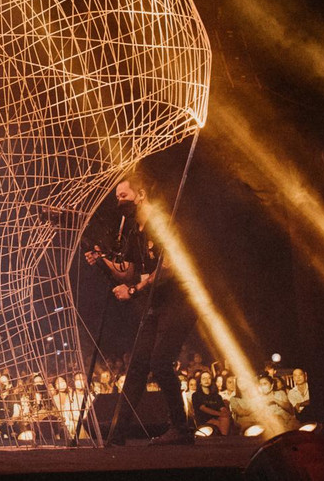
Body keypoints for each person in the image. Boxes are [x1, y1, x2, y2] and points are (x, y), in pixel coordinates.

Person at [94, 175, 196, 446]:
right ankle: (117, 434)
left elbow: (168, 267)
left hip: (180, 300)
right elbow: (127, 273)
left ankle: (181, 428)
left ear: (140, 195)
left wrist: (134, 290)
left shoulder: (162, 223)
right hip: (156, 302)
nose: (119, 201)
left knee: (160, 361)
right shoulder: (134, 232)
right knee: (138, 364)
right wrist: (102, 259)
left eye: (123, 196)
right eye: (117, 197)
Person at [191, 369, 231, 436]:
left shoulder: (216, 396)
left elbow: (222, 407)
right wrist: (220, 414)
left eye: (209, 378)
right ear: (200, 381)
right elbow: (203, 408)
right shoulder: (196, 395)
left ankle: (223, 438)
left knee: (225, 419)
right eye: (204, 378)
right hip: (204, 420)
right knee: (218, 423)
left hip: (218, 418)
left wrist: (225, 412)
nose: (206, 380)